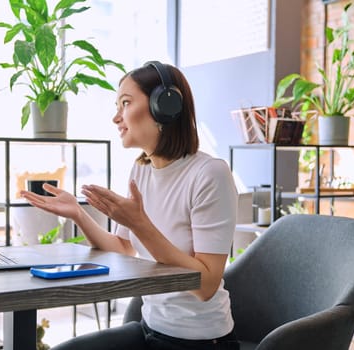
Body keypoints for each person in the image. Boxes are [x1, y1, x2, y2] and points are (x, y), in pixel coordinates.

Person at [20, 61, 239, 350]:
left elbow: (206, 284)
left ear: (165, 106)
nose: (116, 118)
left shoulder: (209, 174)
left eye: (125, 103)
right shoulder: (142, 170)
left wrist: (139, 223)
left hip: (199, 341)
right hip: (150, 328)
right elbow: (124, 248)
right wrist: (79, 214)